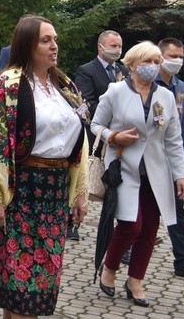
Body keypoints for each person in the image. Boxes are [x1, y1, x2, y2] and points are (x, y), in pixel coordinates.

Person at [0, 15, 89, 318]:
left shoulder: (65, 86)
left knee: (37, 287)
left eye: (55, 39)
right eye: (46, 40)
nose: (54, 46)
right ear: (27, 45)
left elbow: (81, 140)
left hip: (54, 193)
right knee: (20, 286)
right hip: (20, 191)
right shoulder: (6, 87)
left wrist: (79, 190)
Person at [92, 41, 184, 308]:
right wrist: (114, 136)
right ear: (132, 65)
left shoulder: (166, 96)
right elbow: (95, 124)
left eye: (157, 62)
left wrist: (180, 175)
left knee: (149, 229)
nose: (153, 68)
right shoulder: (116, 92)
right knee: (131, 225)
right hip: (123, 169)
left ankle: (135, 280)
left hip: (156, 172)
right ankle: (109, 268)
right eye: (147, 62)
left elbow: (173, 139)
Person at [70, 30, 128, 242]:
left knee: (112, 185)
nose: (117, 50)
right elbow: (86, 102)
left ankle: (116, 232)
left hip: (117, 137)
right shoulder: (87, 70)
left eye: (119, 46)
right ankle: (72, 221)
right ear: (100, 47)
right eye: (113, 46)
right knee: (83, 178)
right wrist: (113, 117)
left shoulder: (124, 71)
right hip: (93, 134)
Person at [155, 38, 184, 278]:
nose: (178, 61)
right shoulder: (148, 83)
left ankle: (183, 261)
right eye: (173, 56)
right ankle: (120, 250)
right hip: (146, 160)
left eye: (181, 57)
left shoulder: (180, 88)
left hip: (171, 160)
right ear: (161, 57)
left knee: (177, 210)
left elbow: (182, 127)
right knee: (139, 212)